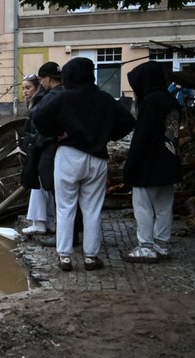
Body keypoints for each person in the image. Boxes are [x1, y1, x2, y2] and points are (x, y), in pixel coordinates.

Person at [32, 58, 135, 272]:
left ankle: (64, 257)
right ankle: (91, 257)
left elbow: (39, 117)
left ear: (68, 76)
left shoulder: (64, 97)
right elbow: (128, 121)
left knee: (65, 207)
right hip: (97, 157)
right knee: (92, 209)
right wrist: (107, 135)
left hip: (68, 156)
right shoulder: (104, 98)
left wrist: (57, 133)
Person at [123, 61, 181, 263]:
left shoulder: (150, 102)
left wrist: (130, 167)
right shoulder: (170, 100)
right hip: (169, 162)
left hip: (148, 165)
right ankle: (162, 244)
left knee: (143, 206)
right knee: (164, 205)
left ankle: (146, 246)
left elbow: (142, 137)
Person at [19, 67, 60, 236]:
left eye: (28, 88)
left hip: (41, 148)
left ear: (38, 86)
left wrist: (32, 145)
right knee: (46, 186)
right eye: (23, 88)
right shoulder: (41, 100)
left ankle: (39, 223)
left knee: (38, 185)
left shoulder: (41, 102)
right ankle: (49, 221)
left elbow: (37, 128)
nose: (25, 92)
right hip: (44, 148)